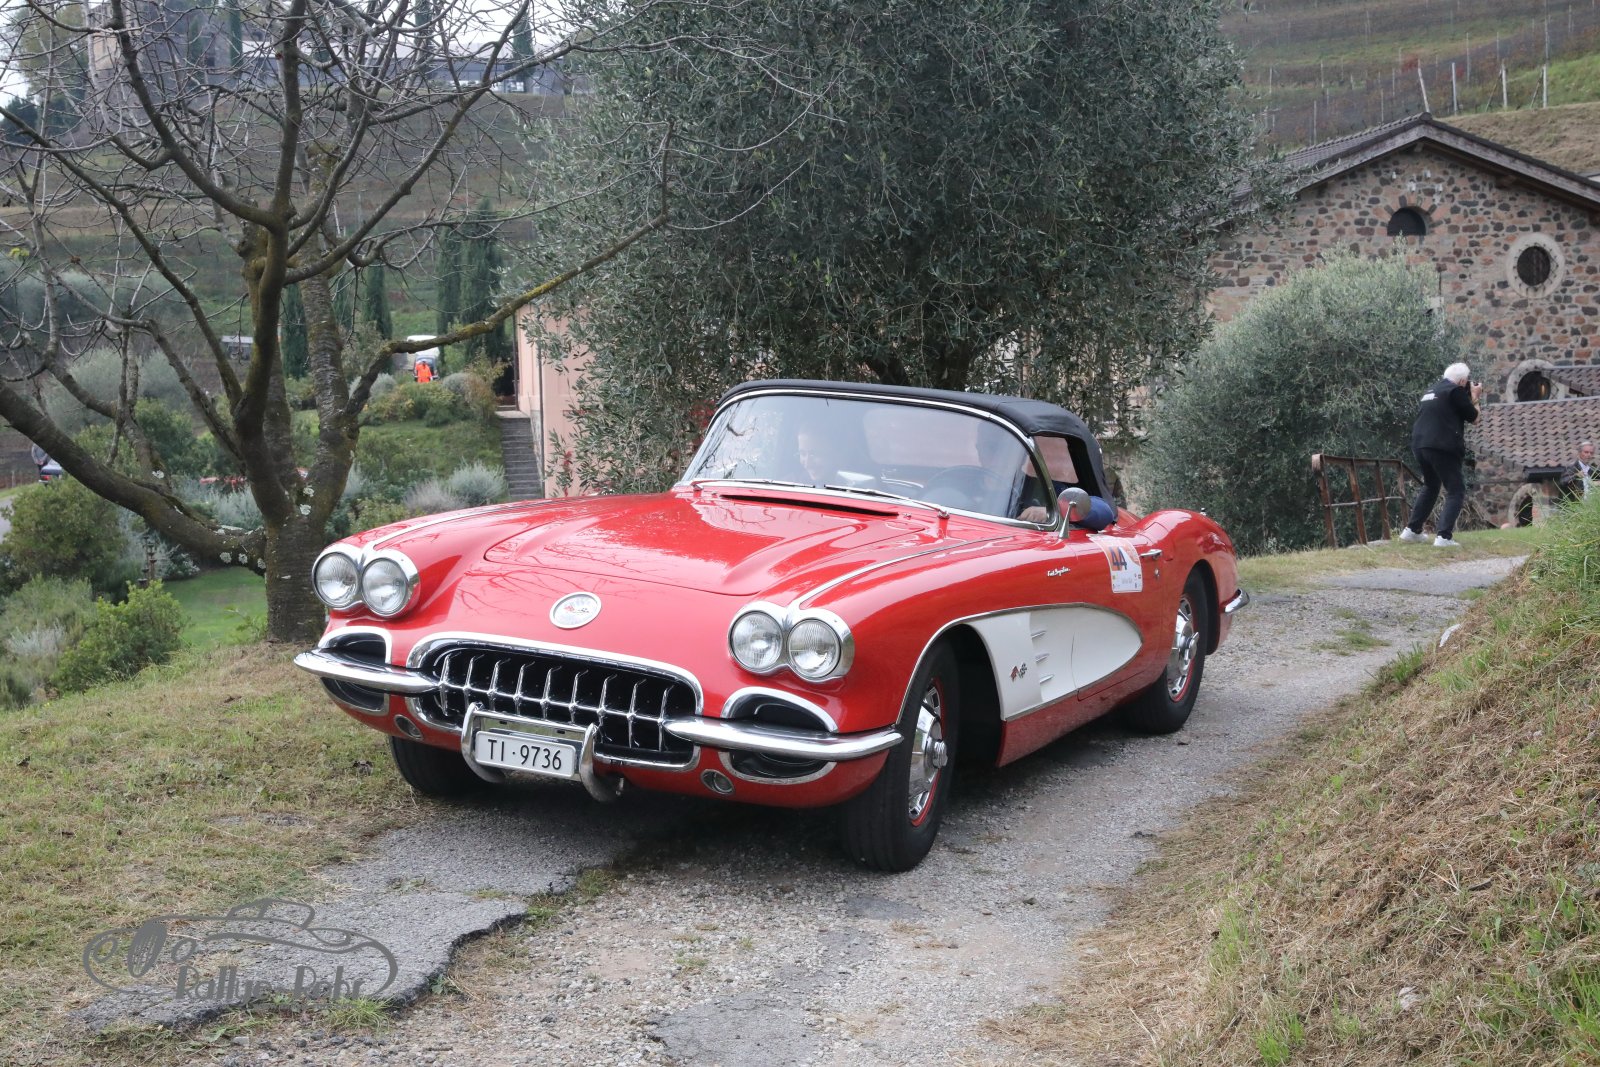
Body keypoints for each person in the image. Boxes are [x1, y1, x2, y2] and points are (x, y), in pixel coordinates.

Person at [1399, 361, 1482, 548]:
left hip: (1420, 445)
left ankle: (1412, 530)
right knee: (1456, 490)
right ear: (1462, 381)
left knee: (1431, 485)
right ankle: (1444, 537)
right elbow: (1475, 418)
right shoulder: (1455, 391)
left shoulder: (1431, 391)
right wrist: (1475, 397)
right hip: (1442, 446)